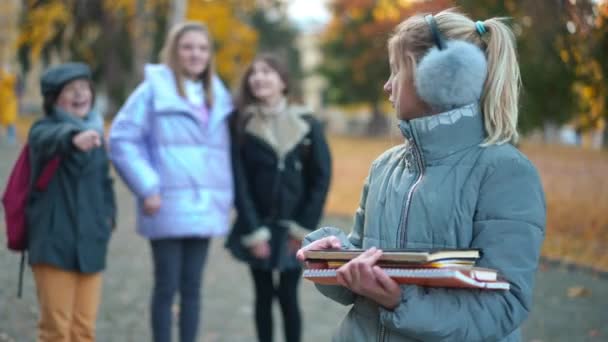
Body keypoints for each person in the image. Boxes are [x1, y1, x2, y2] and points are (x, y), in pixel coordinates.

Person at [297, 9, 546, 342]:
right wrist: (332, 257)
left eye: (395, 71)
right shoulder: (384, 167)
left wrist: (399, 301)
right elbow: (362, 267)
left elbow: (504, 305)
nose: (387, 86)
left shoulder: (506, 172)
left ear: (440, 77)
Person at [108, 21, 233, 342]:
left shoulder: (217, 94)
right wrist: (147, 187)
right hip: (165, 203)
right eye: (188, 47)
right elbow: (122, 139)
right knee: (166, 286)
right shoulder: (153, 90)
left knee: (193, 287)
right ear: (174, 52)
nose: (195, 54)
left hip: (204, 206)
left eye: (202, 48)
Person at [226, 54, 332, 342]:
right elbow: (239, 181)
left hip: (292, 228)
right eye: (254, 72)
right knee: (262, 295)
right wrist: (253, 232)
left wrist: (302, 228)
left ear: (283, 81)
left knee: (288, 295)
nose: (258, 77)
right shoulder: (240, 123)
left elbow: (320, 179)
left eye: (267, 72)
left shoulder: (308, 124)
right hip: (257, 226)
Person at [27, 62, 116, 342]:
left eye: (84, 88)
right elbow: (48, 138)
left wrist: (107, 219)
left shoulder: (97, 134)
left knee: (83, 329)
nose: (80, 94)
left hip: (91, 243)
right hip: (54, 242)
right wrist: (72, 138)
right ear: (54, 98)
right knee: (56, 330)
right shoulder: (44, 130)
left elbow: (104, 183)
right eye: (70, 90)